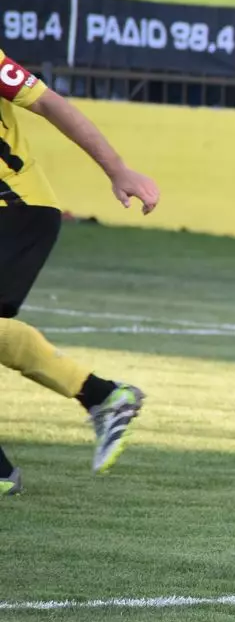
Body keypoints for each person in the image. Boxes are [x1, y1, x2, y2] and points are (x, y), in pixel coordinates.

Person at [0, 50, 159, 495]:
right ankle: (101, 396)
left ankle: (101, 397)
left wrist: (118, 170)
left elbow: (50, 103)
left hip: (17, 209)